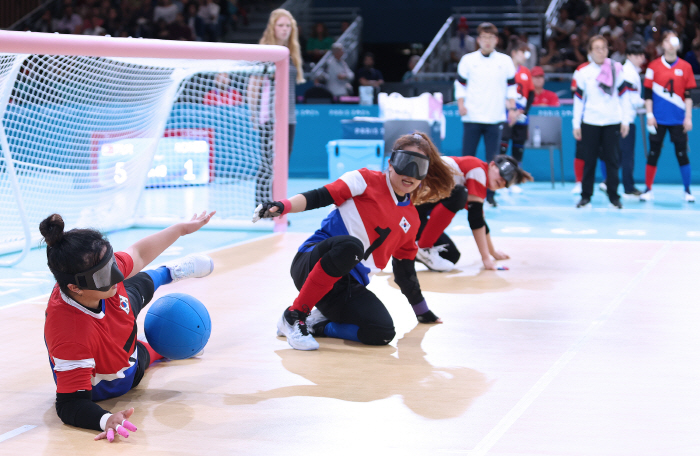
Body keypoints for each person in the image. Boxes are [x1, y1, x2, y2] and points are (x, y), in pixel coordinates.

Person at [252, 132, 455, 350]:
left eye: (420, 167)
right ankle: (294, 316)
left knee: (382, 332)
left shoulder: (412, 220)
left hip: (345, 287)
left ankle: (317, 326)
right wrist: (283, 206)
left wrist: (422, 312)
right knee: (351, 247)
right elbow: (320, 196)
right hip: (311, 262)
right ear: (391, 163)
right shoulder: (364, 180)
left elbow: (405, 273)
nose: (411, 174)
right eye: (406, 163)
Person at [42, 211, 215, 442]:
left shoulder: (96, 274)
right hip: (114, 379)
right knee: (148, 352)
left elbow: (139, 253)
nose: (115, 274)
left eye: (111, 262)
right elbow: (70, 403)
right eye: (105, 273)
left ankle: (170, 271)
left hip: (110, 309)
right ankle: (163, 348)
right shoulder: (70, 335)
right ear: (75, 287)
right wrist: (104, 419)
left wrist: (182, 228)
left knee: (138, 284)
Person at [414, 155, 533, 272]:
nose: (502, 181)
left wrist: (492, 252)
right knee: (459, 194)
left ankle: (407, 248)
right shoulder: (478, 170)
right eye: (502, 174)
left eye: (506, 182)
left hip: (418, 212)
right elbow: (475, 219)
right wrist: (486, 259)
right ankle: (423, 246)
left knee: (450, 256)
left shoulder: (478, 182)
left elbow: (480, 221)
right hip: (410, 203)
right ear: (492, 165)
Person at [454, 22, 517, 208]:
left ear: (496, 40)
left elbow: (512, 87)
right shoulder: (467, 60)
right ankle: (461, 195)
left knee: (493, 161)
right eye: (484, 37)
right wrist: (461, 104)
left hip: (495, 117)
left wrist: (512, 108)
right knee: (467, 159)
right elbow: (460, 84)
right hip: (471, 117)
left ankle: (490, 196)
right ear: (479, 39)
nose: (487, 41)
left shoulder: (505, 61)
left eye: (491, 38)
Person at [572, 35, 633, 209]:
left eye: (604, 48)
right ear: (590, 52)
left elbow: (624, 96)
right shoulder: (583, 72)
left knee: (612, 160)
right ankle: (586, 196)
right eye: (597, 48)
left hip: (612, 121)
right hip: (590, 122)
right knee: (589, 161)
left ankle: (614, 196)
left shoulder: (616, 69)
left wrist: (625, 120)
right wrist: (576, 124)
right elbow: (578, 100)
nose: (601, 51)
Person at [641, 30, 697, 202]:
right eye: (668, 41)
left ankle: (687, 191)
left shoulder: (686, 67)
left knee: (682, 154)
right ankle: (648, 189)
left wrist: (688, 117)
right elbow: (648, 95)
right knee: (653, 153)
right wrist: (649, 115)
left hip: (678, 119)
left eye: (674, 40)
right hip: (657, 119)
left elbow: (688, 96)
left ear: (678, 44)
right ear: (663, 44)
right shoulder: (653, 67)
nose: (671, 44)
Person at [259, 8, 305, 161]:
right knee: (268, 162)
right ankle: (264, 187)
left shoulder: (293, 54)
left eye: (288, 25)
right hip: (269, 116)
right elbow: (254, 84)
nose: (285, 29)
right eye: (280, 25)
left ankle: (279, 187)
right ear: (272, 27)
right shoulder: (265, 52)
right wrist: (254, 114)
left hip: (289, 116)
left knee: (284, 160)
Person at [500, 39, 535, 194]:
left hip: (521, 116)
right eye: (523, 52)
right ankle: (500, 177)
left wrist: (524, 112)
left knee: (518, 148)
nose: (526, 55)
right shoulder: (504, 69)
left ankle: (515, 179)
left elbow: (531, 93)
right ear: (514, 53)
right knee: (502, 146)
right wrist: (509, 111)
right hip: (505, 115)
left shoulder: (526, 72)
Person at [615, 42, 647, 196]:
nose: (640, 58)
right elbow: (632, 100)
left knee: (622, 155)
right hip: (625, 120)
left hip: (625, 119)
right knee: (626, 155)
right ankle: (627, 187)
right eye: (636, 55)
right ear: (628, 56)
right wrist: (650, 103)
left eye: (642, 55)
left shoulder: (630, 71)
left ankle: (609, 182)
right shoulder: (628, 72)